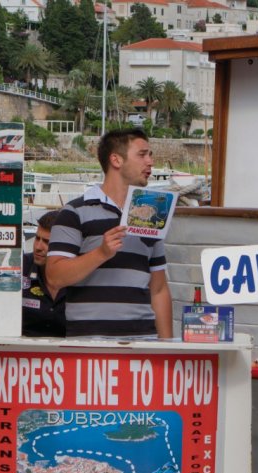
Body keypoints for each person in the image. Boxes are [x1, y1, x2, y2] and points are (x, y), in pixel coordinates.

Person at [47, 128, 171, 338]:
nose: (150, 162)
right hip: (90, 344)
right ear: (116, 160)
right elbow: (54, 277)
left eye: (150, 155)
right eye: (142, 155)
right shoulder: (74, 212)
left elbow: (158, 289)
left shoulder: (153, 214)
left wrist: (168, 349)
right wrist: (101, 253)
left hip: (143, 341)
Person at [22, 210, 66, 337]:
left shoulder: (79, 272)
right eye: (37, 238)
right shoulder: (22, 266)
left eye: (47, 242)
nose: (38, 247)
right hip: (23, 350)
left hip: (69, 352)